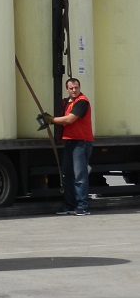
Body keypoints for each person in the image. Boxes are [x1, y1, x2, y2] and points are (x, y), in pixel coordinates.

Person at [42, 78, 94, 216]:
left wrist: (51, 120)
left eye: (76, 87)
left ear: (79, 88)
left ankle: (82, 206)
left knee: (79, 176)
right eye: (71, 88)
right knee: (67, 175)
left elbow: (70, 119)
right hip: (70, 142)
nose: (74, 90)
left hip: (81, 143)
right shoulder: (67, 102)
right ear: (67, 89)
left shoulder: (82, 102)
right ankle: (70, 205)